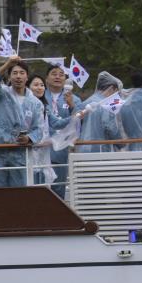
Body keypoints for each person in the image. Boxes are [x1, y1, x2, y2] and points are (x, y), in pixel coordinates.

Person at [0, 58, 44, 187]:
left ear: (27, 77)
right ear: (9, 76)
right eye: (15, 72)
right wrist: (8, 63)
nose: (18, 76)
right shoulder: (1, 94)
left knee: (19, 192)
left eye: (22, 73)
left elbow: (39, 129)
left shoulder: (36, 103)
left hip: (20, 152)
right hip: (0, 150)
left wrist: (29, 138)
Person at [41, 64, 77, 196]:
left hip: (61, 150)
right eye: (54, 74)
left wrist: (72, 105)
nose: (57, 77)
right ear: (46, 78)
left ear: (66, 79)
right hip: (41, 149)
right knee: (39, 189)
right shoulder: (39, 96)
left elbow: (79, 122)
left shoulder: (73, 98)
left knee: (58, 190)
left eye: (61, 74)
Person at [75, 71, 123, 153]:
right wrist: (122, 144)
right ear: (111, 88)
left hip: (82, 148)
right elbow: (111, 129)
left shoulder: (85, 102)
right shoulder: (107, 105)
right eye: (116, 92)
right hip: (100, 150)